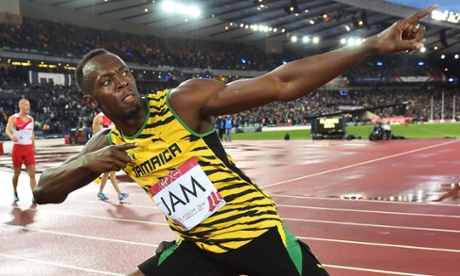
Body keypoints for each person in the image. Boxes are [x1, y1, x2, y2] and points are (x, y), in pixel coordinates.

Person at [33, 5, 436, 276]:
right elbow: (43, 192)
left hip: (257, 234)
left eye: (122, 71)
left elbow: (281, 83)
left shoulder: (182, 103)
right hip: (199, 247)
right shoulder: (105, 142)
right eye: (106, 80)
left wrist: (370, 45)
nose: (121, 80)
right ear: (91, 100)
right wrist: (85, 164)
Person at [92, 111, 129, 201]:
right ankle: (119, 194)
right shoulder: (99, 118)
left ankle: (100, 192)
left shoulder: (114, 116)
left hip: (114, 147)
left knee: (108, 172)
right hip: (105, 148)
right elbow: (95, 137)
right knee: (111, 171)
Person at [6, 98, 36, 203]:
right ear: (20, 106)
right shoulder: (14, 118)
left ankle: (34, 195)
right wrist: (11, 136)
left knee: (32, 174)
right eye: (25, 105)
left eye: (28, 105)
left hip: (28, 149)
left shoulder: (31, 119)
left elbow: (31, 133)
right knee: (17, 173)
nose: (28, 107)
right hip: (18, 149)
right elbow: (7, 130)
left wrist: (33, 146)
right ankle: (15, 192)